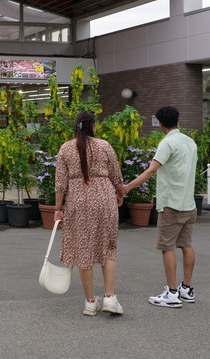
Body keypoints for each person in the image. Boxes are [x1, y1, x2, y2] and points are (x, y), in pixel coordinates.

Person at [122, 106, 198, 308]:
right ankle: (187, 289)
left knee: (167, 247)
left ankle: (172, 293)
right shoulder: (190, 142)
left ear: (160, 124)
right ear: (178, 121)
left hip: (171, 202)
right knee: (186, 245)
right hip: (189, 202)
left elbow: (151, 171)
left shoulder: (167, 143)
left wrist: (127, 187)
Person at [55, 110, 125, 316]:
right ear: (93, 126)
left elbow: (60, 184)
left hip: (78, 201)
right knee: (109, 247)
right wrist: (119, 193)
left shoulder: (66, 148)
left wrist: (58, 209)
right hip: (104, 198)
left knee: (84, 249)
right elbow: (116, 174)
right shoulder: (104, 145)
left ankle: (90, 302)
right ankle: (110, 298)